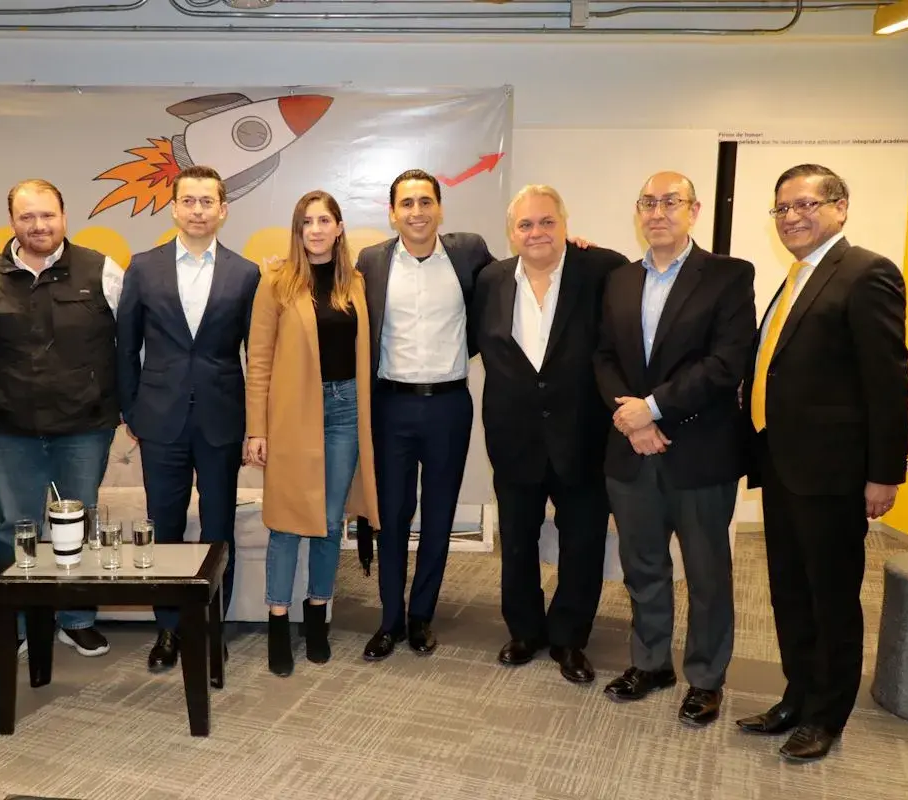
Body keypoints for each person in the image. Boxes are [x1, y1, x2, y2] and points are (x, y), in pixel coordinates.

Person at [736, 164, 908, 763]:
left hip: (833, 474)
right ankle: (797, 696)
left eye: (807, 204)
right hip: (783, 466)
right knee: (789, 592)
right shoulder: (796, 277)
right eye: (783, 208)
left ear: (841, 207)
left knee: (831, 599)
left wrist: (884, 473)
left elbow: (889, 383)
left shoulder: (866, 273)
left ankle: (827, 715)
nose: (793, 217)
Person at [593, 171, 755, 727]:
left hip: (700, 451)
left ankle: (706, 678)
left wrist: (654, 408)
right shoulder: (619, 279)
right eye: (648, 202)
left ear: (694, 210)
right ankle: (651, 663)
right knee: (642, 565)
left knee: (707, 573)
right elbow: (602, 356)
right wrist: (632, 420)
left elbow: (726, 363)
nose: (657, 212)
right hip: (632, 450)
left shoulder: (729, 275)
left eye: (670, 202)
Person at [474, 184, 628, 683]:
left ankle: (568, 638)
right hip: (513, 437)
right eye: (525, 224)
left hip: (582, 436)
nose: (536, 232)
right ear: (511, 233)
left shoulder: (600, 270)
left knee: (581, 543)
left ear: (565, 225)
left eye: (547, 222)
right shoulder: (491, 280)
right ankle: (524, 631)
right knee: (516, 540)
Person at [117, 165, 261, 672]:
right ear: (174, 208)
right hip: (160, 420)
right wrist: (132, 410)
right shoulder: (143, 267)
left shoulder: (246, 273)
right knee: (165, 528)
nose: (198, 210)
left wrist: (256, 422)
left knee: (219, 529)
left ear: (223, 209)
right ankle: (168, 629)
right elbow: (125, 346)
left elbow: (257, 354)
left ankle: (211, 628)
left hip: (222, 418)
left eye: (207, 202)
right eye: (189, 201)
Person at [0, 178, 122, 658]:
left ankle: (76, 620)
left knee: (76, 525)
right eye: (27, 216)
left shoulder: (102, 270)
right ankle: (18, 622)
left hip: (84, 426)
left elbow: (130, 342)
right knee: (13, 528)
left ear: (64, 217)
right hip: (10, 427)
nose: (38, 225)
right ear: (12, 221)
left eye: (47, 215)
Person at [356, 169, 495, 661]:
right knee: (392, 516)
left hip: (449, 405)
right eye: (407, 204)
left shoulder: (468, 252)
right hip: (391, 405)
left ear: (439, 208)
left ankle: (421, 616)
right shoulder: (371, 261)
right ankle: (390, 619)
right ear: (392, 213)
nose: (417, 212)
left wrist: (570, 248)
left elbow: (515, 281)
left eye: (425, 202)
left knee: (439, 515)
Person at [244, 190, 380, 676]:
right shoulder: (275, 282)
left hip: (346, 411)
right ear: (297, 230)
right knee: (285, 523)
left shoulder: (356, 283)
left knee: (327, 521)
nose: (316, 230)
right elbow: (258, 361)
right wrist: (256, 429)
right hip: (292, 414)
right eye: (307, 222)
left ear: (339, 228)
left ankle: (317, 614)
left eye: (325, 221)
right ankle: (279, 621)